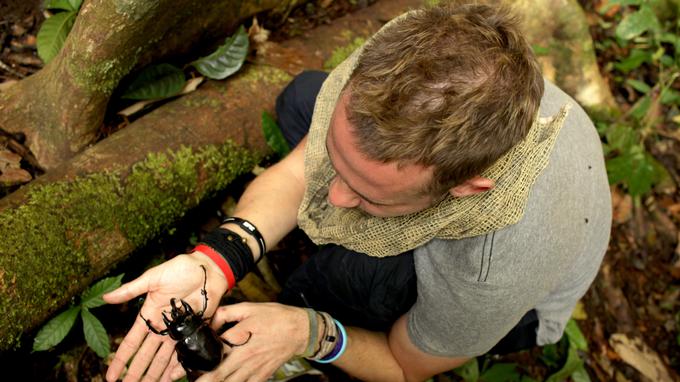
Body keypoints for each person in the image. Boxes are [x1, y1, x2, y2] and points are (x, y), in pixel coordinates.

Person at [103, 2, 611, 381]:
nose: (333, 198)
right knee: (302, 96)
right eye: (338, 163)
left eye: (369, 195)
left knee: (348, 277)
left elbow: (405, 366)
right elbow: (298, 172)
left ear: (465, 187)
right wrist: (218, 259)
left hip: (508, 307)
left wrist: (308, 331)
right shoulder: (401, 61)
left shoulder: (492, 265)